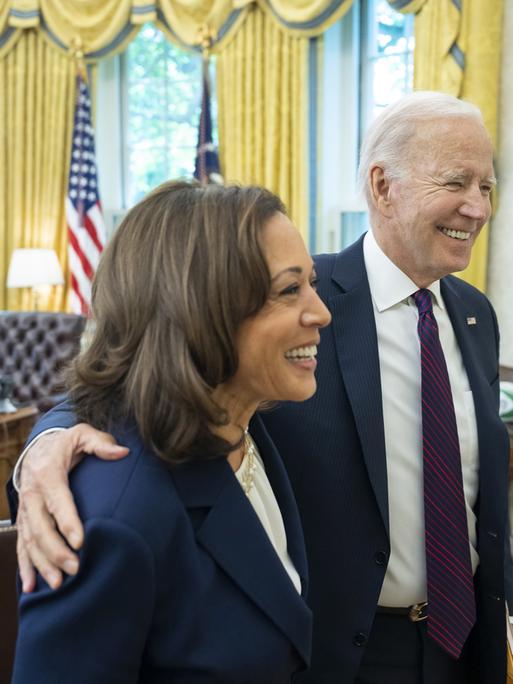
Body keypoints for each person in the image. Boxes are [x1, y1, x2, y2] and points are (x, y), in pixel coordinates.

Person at [11, 92, 511, 684]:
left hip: (463, 645)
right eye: (458, 181)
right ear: (383, 186)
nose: (479, 208)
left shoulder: (476, 315)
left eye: (488, 185)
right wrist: (46, 444)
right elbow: (143, 374)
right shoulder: (294, 304)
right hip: (339, 653)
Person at [10, 180, 333, 683]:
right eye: (290, 290)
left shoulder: (253, 416)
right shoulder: (114, 524)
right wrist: (42, 443)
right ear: (202, 308)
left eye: (311, 283)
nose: (321, 312)